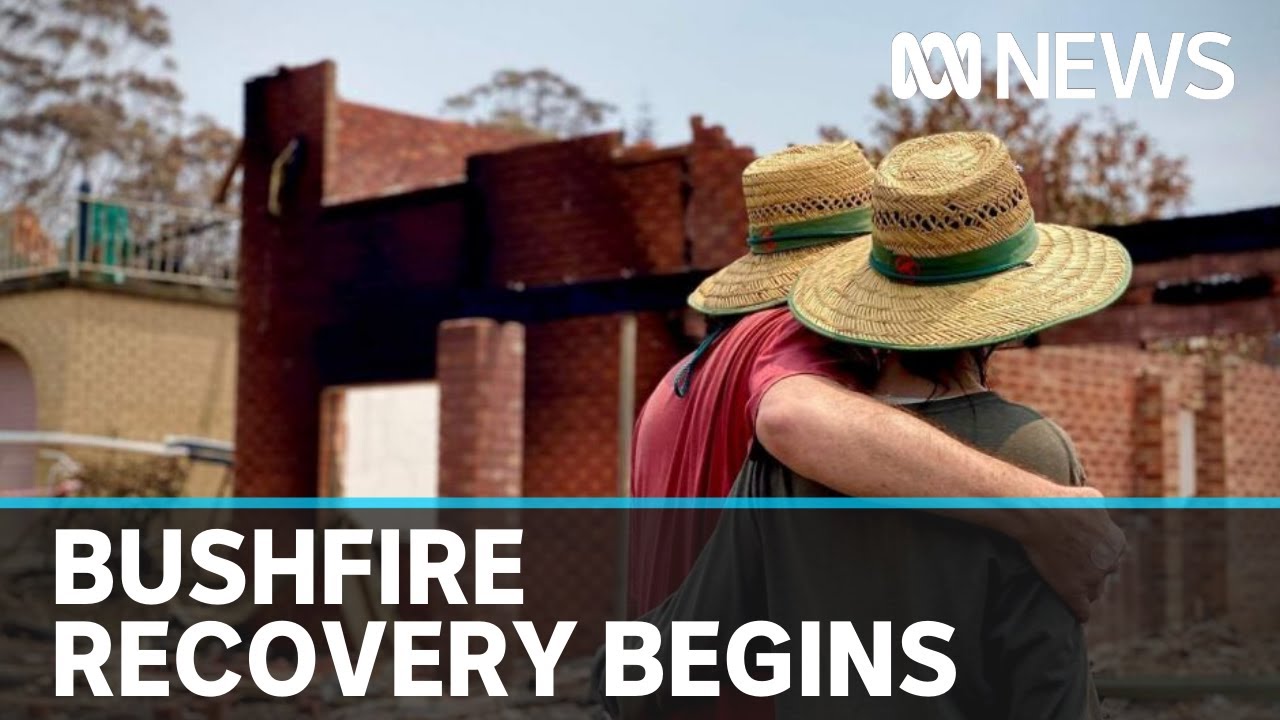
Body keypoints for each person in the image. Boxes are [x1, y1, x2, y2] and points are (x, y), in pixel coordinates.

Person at [601, 130, 1132, 719]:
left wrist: (614, 668)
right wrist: (1040, 508)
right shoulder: (791, 353)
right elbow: (793, 416)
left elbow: (663, 662)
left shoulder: (689, 390)